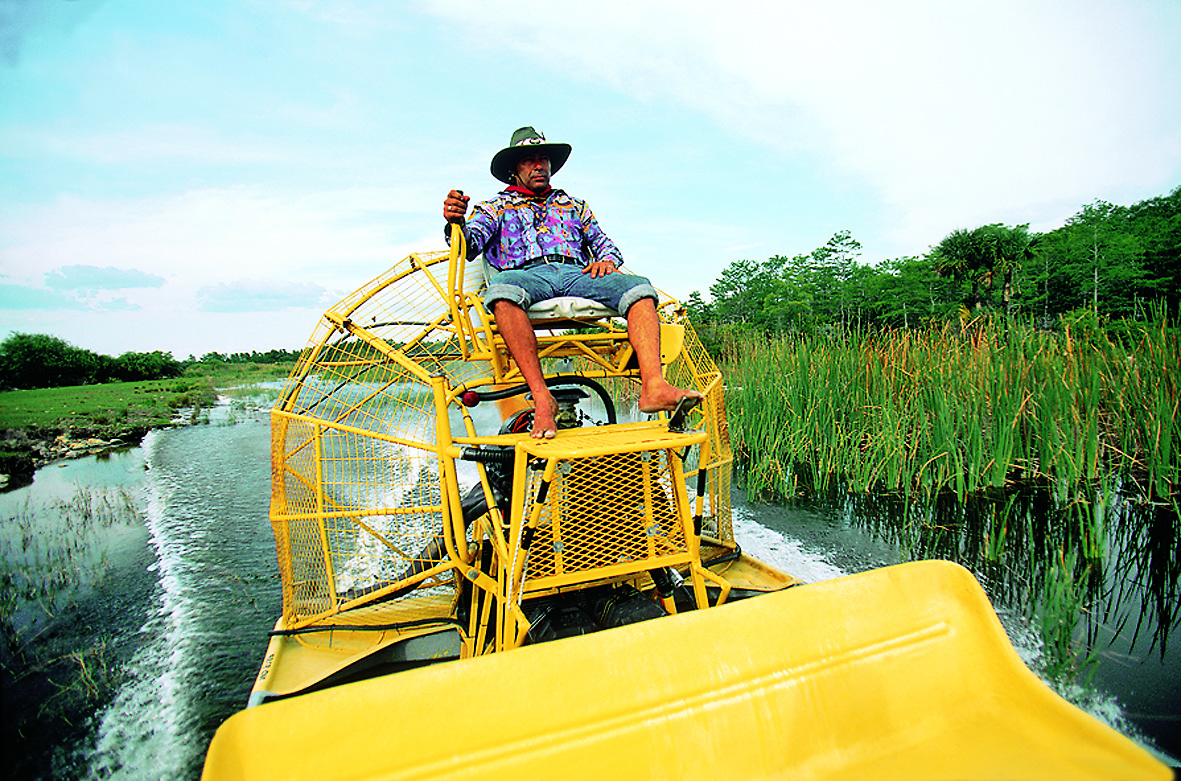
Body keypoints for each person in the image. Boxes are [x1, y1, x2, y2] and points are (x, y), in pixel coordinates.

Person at [443, 126, 702, 439]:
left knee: (640, 288)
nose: (539, 165)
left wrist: (605, 260)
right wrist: (455, 221)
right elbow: (469, 243)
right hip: (526, 275)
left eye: (544, 159)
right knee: (502, 291)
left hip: (575, 273)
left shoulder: (573, 205)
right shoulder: (495, 207)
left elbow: (604, 242)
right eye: (529, 161)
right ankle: (542, 399)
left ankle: (654, 388)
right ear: (514, 169)